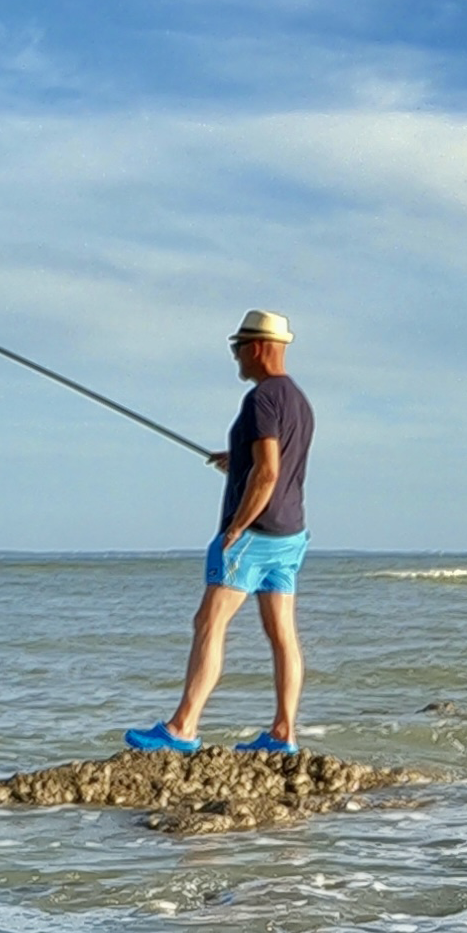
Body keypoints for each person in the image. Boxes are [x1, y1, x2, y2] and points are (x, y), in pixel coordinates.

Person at [125, 309, 315, 756]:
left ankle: (182, 728)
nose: (235, 360)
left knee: (209, 623)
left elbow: (267, 474)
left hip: (255, 535)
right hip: (291, 534)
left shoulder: (260, 400)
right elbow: (273, 462)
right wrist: (237, 459)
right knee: (282, 633)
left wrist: (235, 528)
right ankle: (284, 733)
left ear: (255, 348)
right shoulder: (298, 401)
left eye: (236, 350)